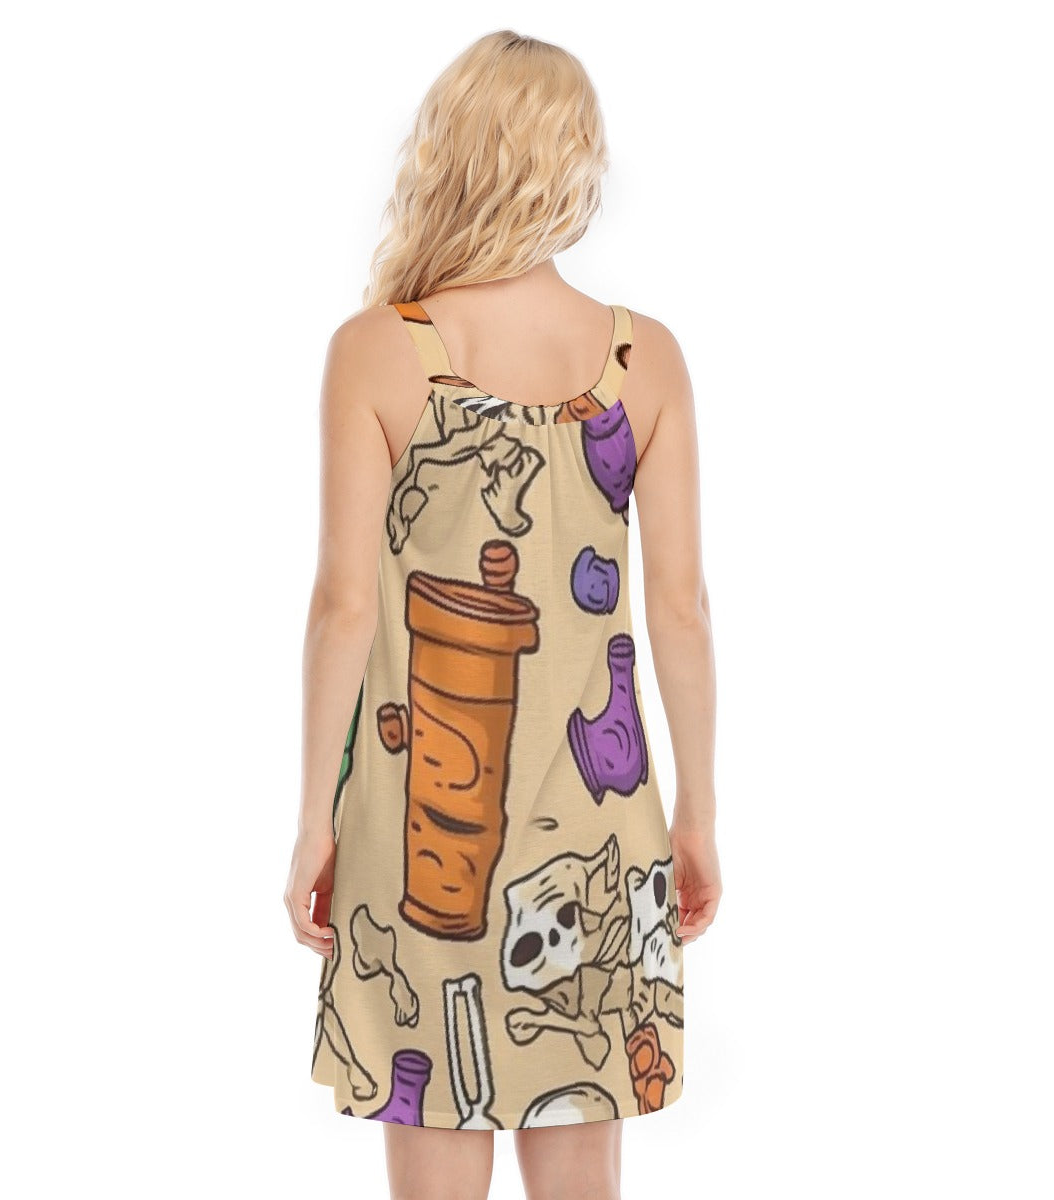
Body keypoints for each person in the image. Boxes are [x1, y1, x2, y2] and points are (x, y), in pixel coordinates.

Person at [284, 29, 722, 1200]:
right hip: (602, 836)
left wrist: (315, 821)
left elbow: (343, 607)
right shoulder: (643, 359)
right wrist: (697, 809)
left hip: (413, 831)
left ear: (448, 154)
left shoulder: (378, 353)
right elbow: (680, 610)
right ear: (572, 163)